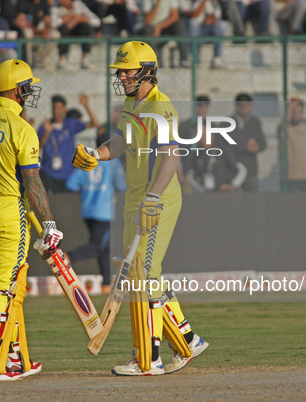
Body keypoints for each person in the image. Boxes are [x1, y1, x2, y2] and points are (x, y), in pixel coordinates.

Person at [71, 41, 209, 376]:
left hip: (156, 198)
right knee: (143, 275)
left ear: (147, 70)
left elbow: (170, 158)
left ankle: (148, 359)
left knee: (143, 277)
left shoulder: (162, 108)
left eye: (127, 70)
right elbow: (120, 140)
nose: (121, 75)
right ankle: (188, 340)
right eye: (120, 70)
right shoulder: (132, 101)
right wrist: (97, 155)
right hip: (136, 196)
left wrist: (152, 199)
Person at [0, 59, 63, 381]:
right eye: (28, 86)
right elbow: (32, 183)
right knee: (5, 286)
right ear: (18, 90)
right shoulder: (22, 129)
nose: (30, 92)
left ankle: (15, 356)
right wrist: (49, 224)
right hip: (8, 209)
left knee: (5, 283)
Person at [66, 143, 127, 293]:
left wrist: (85, 191)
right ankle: (68, 257)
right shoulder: (113, 161)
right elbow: (122, 185)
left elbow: (71, 183)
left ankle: (106, 283)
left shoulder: (88, 159)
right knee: (98, 246)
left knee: (104, 248)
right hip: (104, 211)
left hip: (88, 210)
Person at [37, 94, 99, 193]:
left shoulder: (70, 124)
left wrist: (86, 106)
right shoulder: (45, 126)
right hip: (48, 173)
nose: (56, 111)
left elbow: (95, 124)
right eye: (54, 108)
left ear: (65, 109)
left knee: (66, 204)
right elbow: (38, 147)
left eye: (59, 108)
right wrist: (47, 133)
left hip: (66, 174)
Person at [136, 0, 191, 68]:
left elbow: (174, 16)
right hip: (151, 28)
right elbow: (148, 20)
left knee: (179, 25)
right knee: (148, 30)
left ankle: (184, 59)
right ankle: (151, 62)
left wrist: (159, 27)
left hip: (165, 27)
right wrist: (157, 4)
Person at [230, 93, 266, 192]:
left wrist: (256, 147)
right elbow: (226, 145)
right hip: (233, 170)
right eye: (246, 106)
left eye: (250, 106)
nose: (249, 109)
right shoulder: (227, 123)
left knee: (251, 200)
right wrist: (245, 146)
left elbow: (263, 144)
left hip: (251, 170)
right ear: (238, 107)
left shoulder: (255, 122)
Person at [51, 0, 101, 70]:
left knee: (86, 28)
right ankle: (62, 59)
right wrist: (68, 18)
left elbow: (97, 21)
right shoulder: (56, 7)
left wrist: (80, 19)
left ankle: (85, 59)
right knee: (64, 29)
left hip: (77, 31)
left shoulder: (79, 5)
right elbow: (53, 23)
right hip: (64, 31)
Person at [277, 98, 306, 191]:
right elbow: (283, 125)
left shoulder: (305, 129)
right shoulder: (286, 130)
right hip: (291, 176)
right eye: (294, 112)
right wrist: (291, 106)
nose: (296, 115)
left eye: (299, 112)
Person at [182, 0, 227, 68]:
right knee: (192, 23)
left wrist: (209, 19)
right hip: (197, 30)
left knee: (222, 25)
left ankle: (216, 59)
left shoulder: (213, 3)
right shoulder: (195, 2)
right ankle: (193, 59)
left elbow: (215, 17)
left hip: (208, 29)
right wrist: (203, 2)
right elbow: (194, 16)